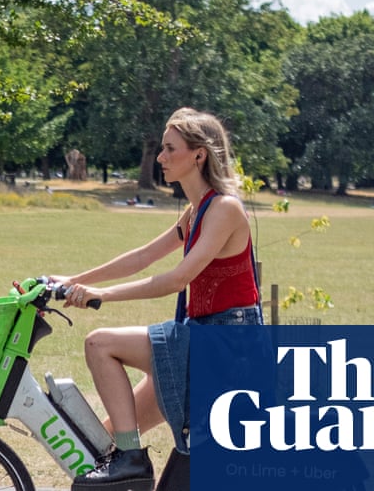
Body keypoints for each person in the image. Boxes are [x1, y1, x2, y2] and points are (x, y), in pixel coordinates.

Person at [49, 107, 263, 489]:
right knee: (107, 436)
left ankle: (132, 460)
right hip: (198, 337)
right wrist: (72, 280)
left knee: (100, 344)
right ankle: (127, 459)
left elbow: (177, 278)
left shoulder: (224, 209)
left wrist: (100, 295)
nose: (161, 157)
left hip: (225, 346)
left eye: (169, 149)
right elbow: (142, 257)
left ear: (198, 154)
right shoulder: (195, 212)